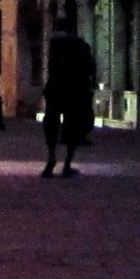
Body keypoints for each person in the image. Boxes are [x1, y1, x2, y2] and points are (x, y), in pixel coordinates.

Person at [39, 26, 96, 177]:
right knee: (72, 125)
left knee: (51, 122)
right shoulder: (82, 47)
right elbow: (90, 69)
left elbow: (50, 67)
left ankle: (51, 156)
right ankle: (67, 163)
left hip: (55, 89)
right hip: (74, 91)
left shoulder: (55, 46)